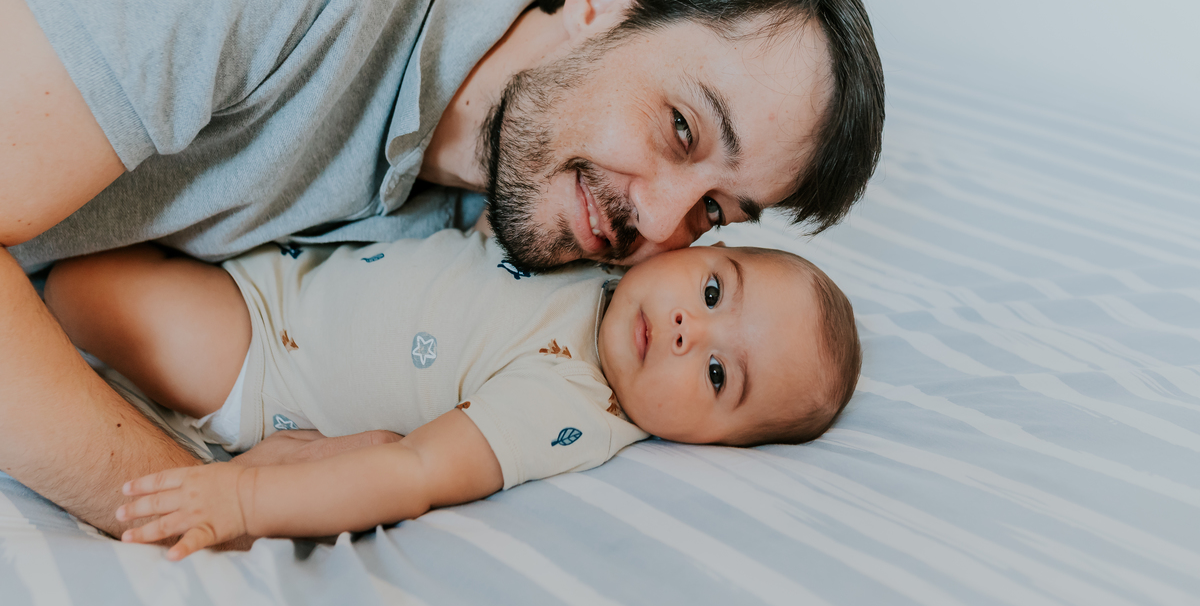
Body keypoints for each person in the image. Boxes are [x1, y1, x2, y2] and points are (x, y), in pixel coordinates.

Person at [0, 0, 883, 534]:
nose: (656, 224)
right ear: (604, 2)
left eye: (714, 211)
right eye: (681, 128)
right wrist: (191, 494)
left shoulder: (498, 225)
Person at [41, 229, 861, 559]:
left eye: (717, 374)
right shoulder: (606, 257)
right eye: (714, 289)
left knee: (74, 285)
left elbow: (415, 471)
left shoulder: (571, 404)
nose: (689, 329)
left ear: (710, 443)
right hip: (281, 269)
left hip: (259, 356)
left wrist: (243, 499)